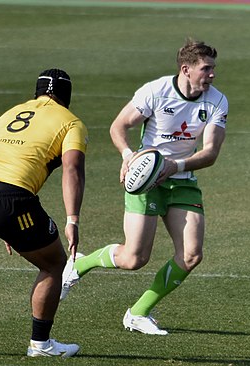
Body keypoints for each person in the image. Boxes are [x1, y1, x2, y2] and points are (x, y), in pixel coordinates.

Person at [62, 38, 228, 335]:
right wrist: (128, 156)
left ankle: (138, 313)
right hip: (146, 179)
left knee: (191, 255)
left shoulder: (216, 100)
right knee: (134, 258)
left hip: (181, 179)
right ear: (186, 69)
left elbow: (210, 153)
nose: (212, 75)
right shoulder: (156, 91)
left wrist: (174, 167)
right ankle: (81, 263)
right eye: (206, 69)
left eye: (213, 68)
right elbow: (118, 126)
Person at [0, 69, 88, 356]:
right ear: (67, 95)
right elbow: (72, 169)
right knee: (54, 264)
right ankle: (41, 344)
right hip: (12, 199)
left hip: (0, 194)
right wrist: (73, 220)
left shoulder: (12, 112)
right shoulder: (71, 122)